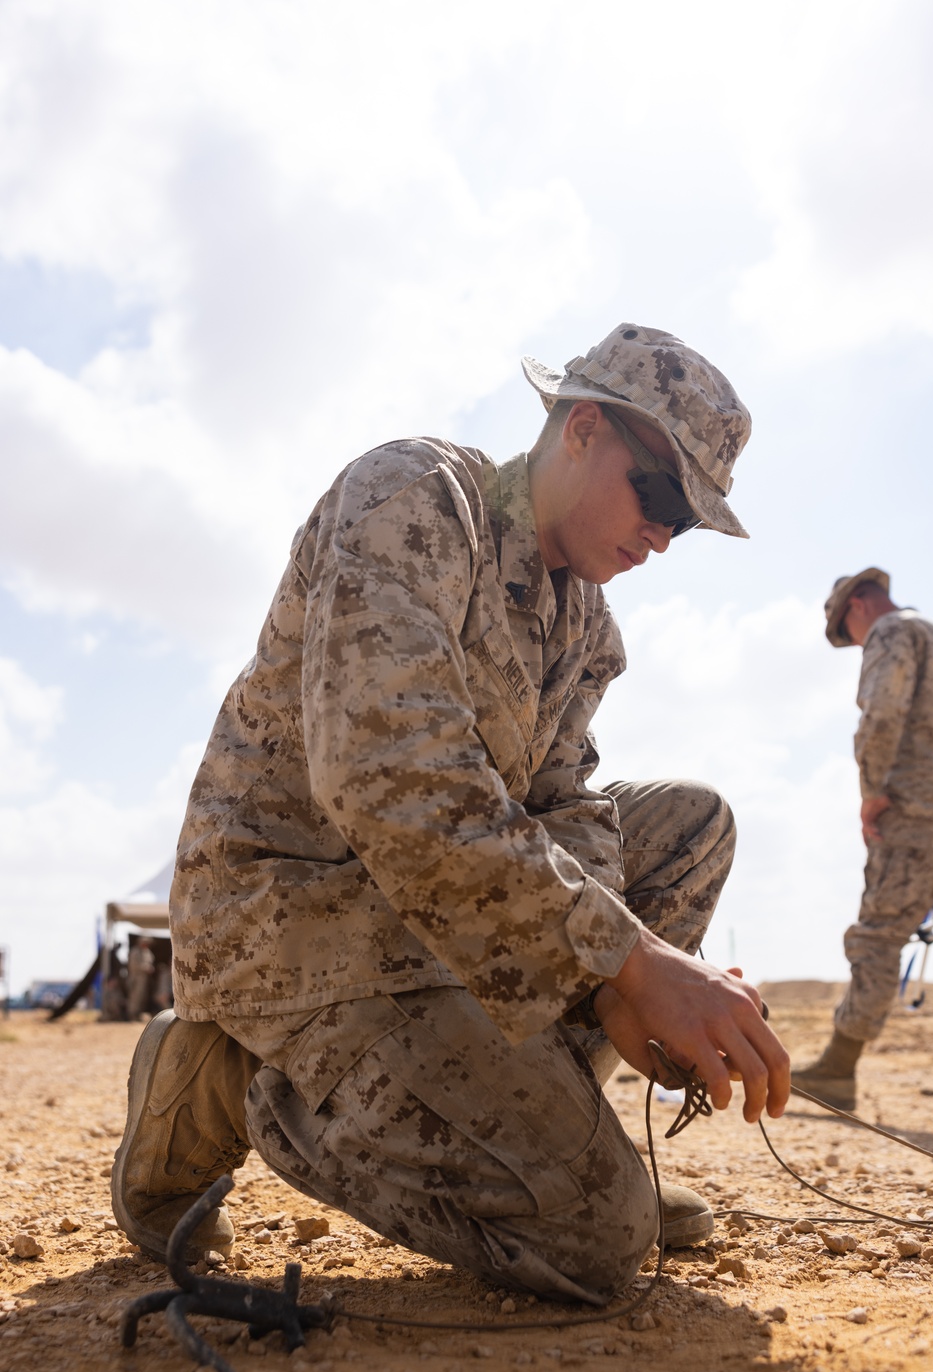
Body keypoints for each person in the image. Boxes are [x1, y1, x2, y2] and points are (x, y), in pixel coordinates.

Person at [112, 324, 789, 1302]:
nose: (662, 538)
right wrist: (630, 961)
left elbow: (565, 806)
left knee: (690, 827)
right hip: (295, 921)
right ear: (583, 428)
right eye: (662, 498)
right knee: (599, 1241)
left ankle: (546, 1131)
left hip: (434, 925)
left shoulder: (582, 626)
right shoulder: (415, 500)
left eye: (687, 525)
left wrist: (620, 979)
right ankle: (227, 1072)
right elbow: (395, 781)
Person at [792, 569, 933, 1121]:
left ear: (859, 604)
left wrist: (872, 792)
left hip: (918, 814)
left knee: (878, 936)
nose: (856, 640)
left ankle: (838, 1068)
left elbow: (881, 712)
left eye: (848, 629)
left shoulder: (891, 634)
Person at [125, 937, 155, 1022]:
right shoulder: (135, 952)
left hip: (144, 980)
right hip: (136, 979)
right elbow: (133, 965)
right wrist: (145, 968)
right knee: (134, 998)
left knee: (142, 998)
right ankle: (131, 1015)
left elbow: (151, 961)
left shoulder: (147, 952)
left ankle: (138, 1014)